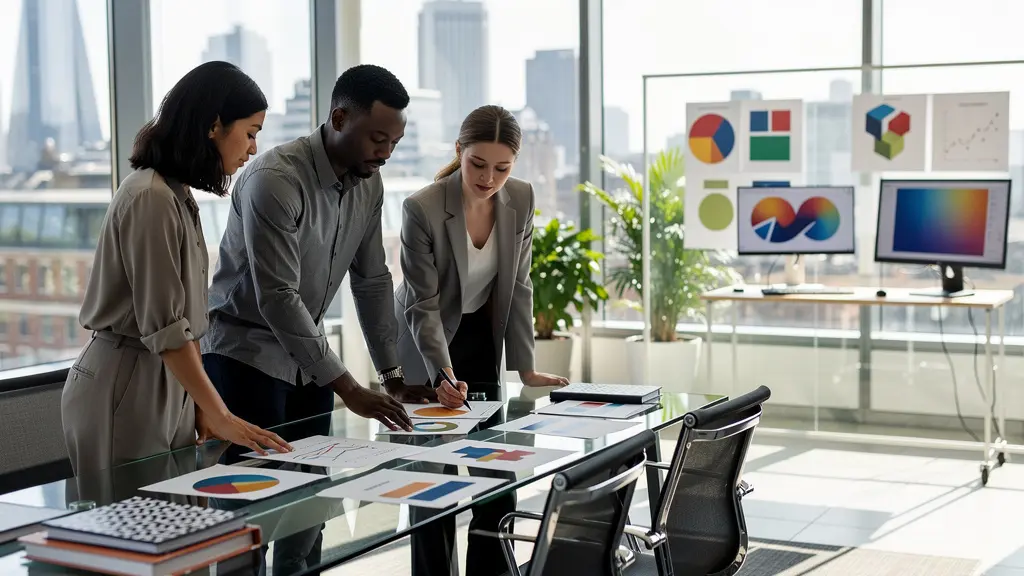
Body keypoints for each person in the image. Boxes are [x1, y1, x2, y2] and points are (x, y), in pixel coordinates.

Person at [201, 64, 431, 573]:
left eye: (394, 142)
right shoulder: (274, 179)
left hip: (310, 363)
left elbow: (372, 281)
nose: (385, 152)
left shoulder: (370, 184)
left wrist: (391, 375)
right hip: (244, 358)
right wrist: (349, 386)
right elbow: (278, 296)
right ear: (338, 117)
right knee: (251, 511)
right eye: (377, 138)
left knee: (310, 506)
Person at [61, 61, 290, 476]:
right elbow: (166, 329)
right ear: (214, 125)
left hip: (166, 378)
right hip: (127, 380)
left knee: (176, 524)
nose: (253, 148)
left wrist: (202, 405)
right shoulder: (150, 198)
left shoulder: (176, 195)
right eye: (251, 133)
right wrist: (219, 411)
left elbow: (185, 323)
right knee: (133, 528)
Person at [394, 104, 569, 576]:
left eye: (502, 167)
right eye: (478, 164)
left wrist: (526, 367)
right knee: (433, 488)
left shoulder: (522, 199)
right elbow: (421, 304)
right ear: (459, 151)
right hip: (424, 345)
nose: (489, 177)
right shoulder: (422, 207)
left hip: (480, 342)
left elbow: (520, 286)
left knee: (498, 477)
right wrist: (442, 373)